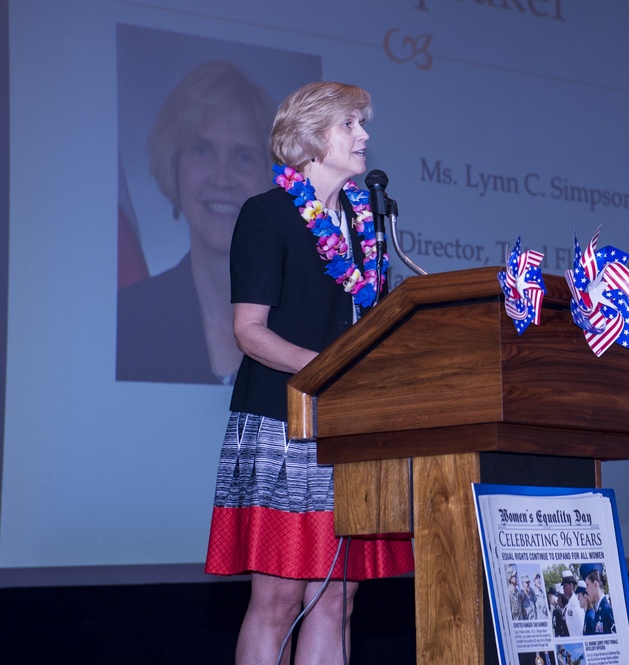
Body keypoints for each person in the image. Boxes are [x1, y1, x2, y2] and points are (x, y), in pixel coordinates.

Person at [204, 80, 412, 665]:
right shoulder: (266, 215)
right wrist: (333, 370)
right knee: (278, 598)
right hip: (283, 422)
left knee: (339, 598)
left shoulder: (368, 224)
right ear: (311, 136)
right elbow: (250, 332)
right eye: (351, 123)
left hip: (350, 427)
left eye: (361, 123)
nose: (364, 134)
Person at [116, 60, 274, 385]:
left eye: (243, 157)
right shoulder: (127, 322)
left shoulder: (309, 324)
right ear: (174, 169)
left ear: (271, 181)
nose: (222, 178)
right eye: (202, 151)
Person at [581, 562, 615, 635]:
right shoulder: (598, 609)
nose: (586, 590)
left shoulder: (607, 610)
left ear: (595, 584)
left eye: (587, 585)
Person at [561, 568, 585, 636]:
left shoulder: (576, 603)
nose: (563, 588)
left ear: (571, 586)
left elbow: (581, 626)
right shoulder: (570, 603)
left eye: (565, 586)